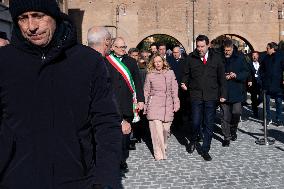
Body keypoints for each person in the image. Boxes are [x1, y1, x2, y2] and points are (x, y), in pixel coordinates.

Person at [0, 1, 122, 188]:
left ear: (54, 16)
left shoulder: (88, 62)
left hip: (77, 179)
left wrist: (105, 180)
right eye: (23, 18)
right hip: (16, 179)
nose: (31, 26)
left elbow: (106, 122)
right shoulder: (4, 62)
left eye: (38, 15)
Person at [181, 35, 226, 161]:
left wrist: (223, 94)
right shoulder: (191, 57)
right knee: (195, 121)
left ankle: (206, 149)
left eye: (202, 46)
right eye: (198, 46)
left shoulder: (216, 59)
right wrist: (184, 82)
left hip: (211, 96)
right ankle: (194, 139)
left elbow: (222, 78)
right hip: (195, 95)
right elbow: (186, 74)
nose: (200, 49)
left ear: (208, 45)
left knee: (209, 123)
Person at [106, 37, 145, 171]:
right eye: (121, 47)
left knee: (125, 136)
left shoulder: (131, 62)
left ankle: (122, 159)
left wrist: (141, 100)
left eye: (124, 47)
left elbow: (138, 82)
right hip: (111, 104)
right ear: (113, 48)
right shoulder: (106, 61)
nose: (124, 49)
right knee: (113, 135)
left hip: (127, 103)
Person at [144, 54, 180, 160]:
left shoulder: (170, 73)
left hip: (167, 104)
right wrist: (145, 106)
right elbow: (146, 91)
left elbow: (174, 89)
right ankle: (158, 154)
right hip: (154, 103)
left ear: (163, 62)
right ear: (153, 63)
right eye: (155, 62)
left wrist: (176, 102)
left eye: (159, 61)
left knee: (165, 129)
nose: (157, 64)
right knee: (156, 130)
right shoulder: (150, 75)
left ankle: (163, 146)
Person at [220, 39, 248, 147]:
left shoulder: (240, 58)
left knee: (236, 112)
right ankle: (226, 137)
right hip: (224, 91)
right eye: (225, 50)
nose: (226, 52)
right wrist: (223, 76)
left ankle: (233, 128)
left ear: (232, 48)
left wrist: (236, 75)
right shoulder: (220, 58)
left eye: (228, 50)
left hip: (236, 91)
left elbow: (246, 72)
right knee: (225, 116)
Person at [259, 42, 284, 126]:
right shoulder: (265, 58)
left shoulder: (281, 56)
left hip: (278, 84)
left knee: (278, 101)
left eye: (268, 48)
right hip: (267, 85)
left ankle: (279, 118)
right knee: (266, 102)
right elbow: (261, 70)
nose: (266, 50)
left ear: (273, 49)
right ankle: (268, 118)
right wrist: (263, 78)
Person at [247, 51, 262, 118]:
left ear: (258, 56)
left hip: (260, 83)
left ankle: (255, 104)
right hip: (253, 83)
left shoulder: (261, 63)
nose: (254, 56)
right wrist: (249, 80)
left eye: (255, 55)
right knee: (253, 97)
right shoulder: (249, 64)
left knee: (262, 96)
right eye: (253, 55)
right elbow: (249, 73)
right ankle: (255, 113)